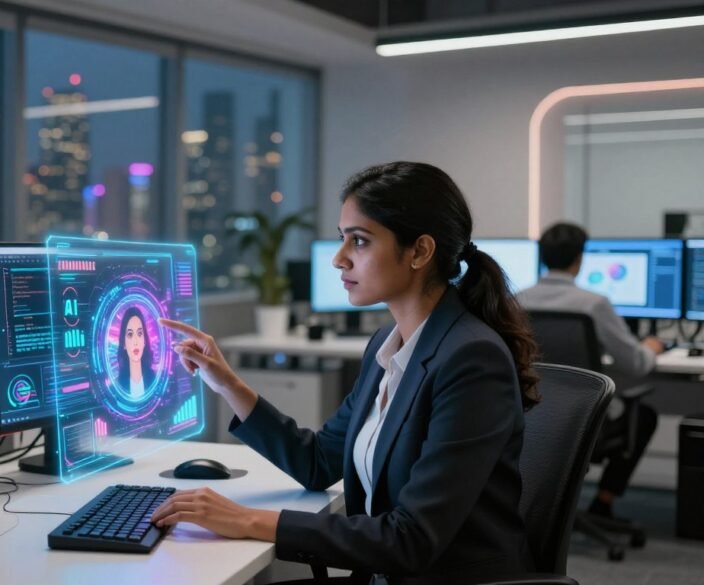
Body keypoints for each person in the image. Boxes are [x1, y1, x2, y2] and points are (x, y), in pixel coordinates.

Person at [154, 162, 540, 584]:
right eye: (343, 239)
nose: (339, 259)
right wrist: (226, 382)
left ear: (420, 252)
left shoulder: (470, 359)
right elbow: (318, 462)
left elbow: (412, 539)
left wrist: (247, 520)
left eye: (359, 241)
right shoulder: (387, 345)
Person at [516, 222, 660, 520]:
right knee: (645, 416)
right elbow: (636, 365)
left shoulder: (515, 300)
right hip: (584, 419)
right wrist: (652, 348)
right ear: (579, 259)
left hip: (530, 415)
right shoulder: (594, 304)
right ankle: (603, 504)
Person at [116, 306, 156, 400]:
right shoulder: (118, 387)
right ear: (124, 343)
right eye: (130, 334)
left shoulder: (155, 381)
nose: (136, 342)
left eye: (139, 334)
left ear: (144, 341)